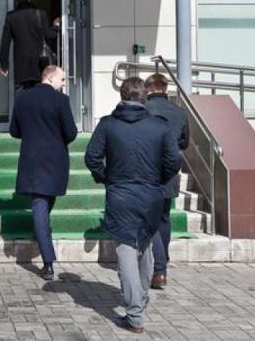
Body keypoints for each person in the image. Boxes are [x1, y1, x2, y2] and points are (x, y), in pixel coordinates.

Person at [84, 77, 181, 334]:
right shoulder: (159, 126)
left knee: (127, 249)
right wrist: (158, 179)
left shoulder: (108, 124)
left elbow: (92, 158)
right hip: (150, 194)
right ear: (144, 97)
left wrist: (106, 177)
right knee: (145, 245)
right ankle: (140, 299)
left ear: (122, 95)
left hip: (120, 194)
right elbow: (174, 161)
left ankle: (135, 313)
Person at [9, 65, 78, 281]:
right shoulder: (61, 101)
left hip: (32, 159)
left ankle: (41, 234)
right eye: (62, 79)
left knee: (42, 205)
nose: (64, 83)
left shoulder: (23, 99)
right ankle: (48, 261)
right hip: (55, 160)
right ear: (49, 78)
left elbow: (14, 130)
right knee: (41, 205)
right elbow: (71, 132)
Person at [144, 73, 189, 290]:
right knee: (164, 217)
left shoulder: (143, 110)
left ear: (148, 89)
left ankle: (158, 267)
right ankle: (163, 262)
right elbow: (185, 142)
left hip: (146, 171)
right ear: (166, 89)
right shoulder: (179, 112)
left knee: (149, 219)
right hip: (170, 172)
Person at [0, 0, 60, 95]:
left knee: (21, 95)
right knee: (38, 93)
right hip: (38, 62)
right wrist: (55, 26)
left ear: (17, 3)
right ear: (30, 0)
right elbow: (49, 35)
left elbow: (5, 42)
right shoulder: (41, 14)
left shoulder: (11, 16)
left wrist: (4, 64)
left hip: (20, 64)